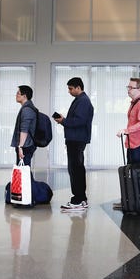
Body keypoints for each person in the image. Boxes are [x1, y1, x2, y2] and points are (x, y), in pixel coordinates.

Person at [54, 77, 94, 212]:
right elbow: (76, 120)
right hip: (75, 139)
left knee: (76, 169)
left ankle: (78, 199)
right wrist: (64, 120)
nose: (69, 91)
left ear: (78, 87)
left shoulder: (83, 101)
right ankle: (80, 199)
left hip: (77, 140)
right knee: (75, 168)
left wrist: (63, 121)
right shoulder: (79, 100)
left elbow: (80, 121)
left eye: (71, 88)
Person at [11, 85, 38, 166]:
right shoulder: (28, 108)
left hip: (25, 145)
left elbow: (24, 130)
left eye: (18, 93)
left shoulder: (27, 110)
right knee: (24, 169)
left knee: (23, 169)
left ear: (24, 96)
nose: (16, 95)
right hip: (27, 144)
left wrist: (20, 147)